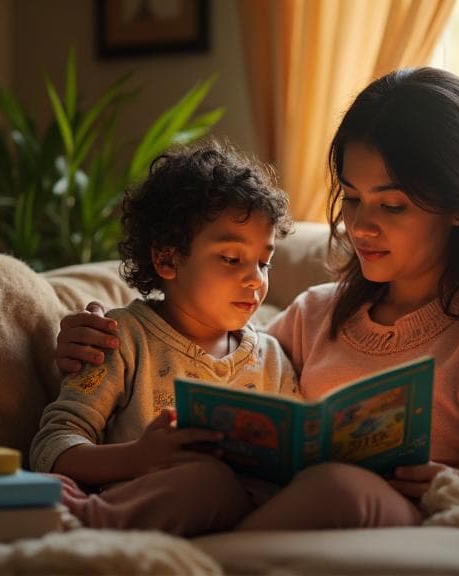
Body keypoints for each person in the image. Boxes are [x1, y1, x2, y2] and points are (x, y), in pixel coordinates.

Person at [54, 67, 459, 530]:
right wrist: (93, 334)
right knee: (218, 481)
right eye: (353, 198)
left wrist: (447, 483)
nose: (361, 226)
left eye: (392, 205)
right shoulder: (316, 312)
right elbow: (205, 338)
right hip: (252, 510)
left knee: (338, 487)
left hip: (399, 513)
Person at [30, 139, 298, 536]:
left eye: (264, 262)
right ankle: (81, 525)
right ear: (167, 259)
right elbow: (51, 444)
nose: (256, 280)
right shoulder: (120, 339)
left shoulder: (271, 357)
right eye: (231, 258)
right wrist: (138, 457)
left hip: (248, 522)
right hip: (152, 505)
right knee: (208, 481)